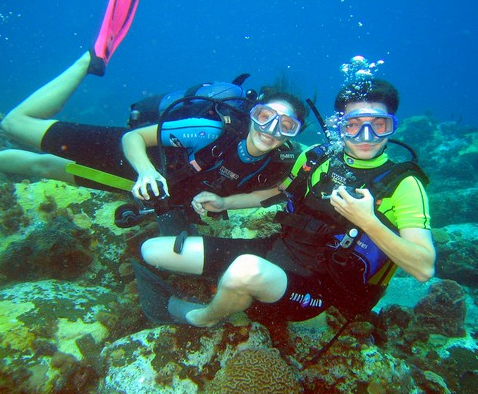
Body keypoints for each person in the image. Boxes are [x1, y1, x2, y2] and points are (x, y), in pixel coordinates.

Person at [0, 0, 307, 236]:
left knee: (45, 167)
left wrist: (224, 202)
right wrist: (146, 172)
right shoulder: (209, 129)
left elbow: (275, 191)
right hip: (138, 162)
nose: (271, 129)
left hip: (153, 188)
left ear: (295, 132)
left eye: (286, 125)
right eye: (265, 116)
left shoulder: (281, 159)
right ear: (252, 113)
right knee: (14, 125)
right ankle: (90, 60)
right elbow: (132, 138)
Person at [138, 79, 436, 328]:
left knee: (245, 270)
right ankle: (236, 292)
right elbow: (275, 192)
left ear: (393, 127)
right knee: (153, 250)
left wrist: (368, 220)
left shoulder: (405, 184)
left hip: (320, 288)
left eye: (379, 125)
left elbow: (423, 268)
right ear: (340, 126)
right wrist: (224, 200)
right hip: (276, 252)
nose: (365, 136)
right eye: (354, 124)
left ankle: (204, 318)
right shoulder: (316, 159)